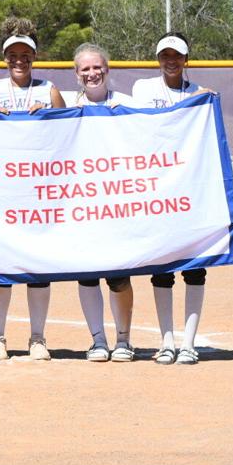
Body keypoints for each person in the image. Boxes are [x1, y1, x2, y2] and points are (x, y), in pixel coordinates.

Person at [0, 17, 65, 361]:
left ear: (34, 57)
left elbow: (71, 132)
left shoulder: (48, 89)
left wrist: (50, 112)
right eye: (12, 55)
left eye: (25, 55)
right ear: (4, 59)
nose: (19, 60)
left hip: (38, 190)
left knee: (37, 265)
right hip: (0, 191)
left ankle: (38, 337)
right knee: (1, 265)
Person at [130, 32, 213, 365]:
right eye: (165, 55)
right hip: (156, 191)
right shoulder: (144, 89)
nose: (171, 61)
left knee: (195, 267)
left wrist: (209, 100)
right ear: (158, 58)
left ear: (186, 59)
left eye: (177, 55)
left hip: (191, 191)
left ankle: (189, 343)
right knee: (162, 269)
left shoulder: (199, 94)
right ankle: (166, 341)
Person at [70, 43, 136, 362]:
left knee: (119, 276)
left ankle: (123, 339)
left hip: (116, 203)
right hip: (81, 204)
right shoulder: (67, 106)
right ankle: (97, 339)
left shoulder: (126, 104)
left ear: (107, 69)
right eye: (85, 69)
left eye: (97, 67)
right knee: (87, 274)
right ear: (77, 74)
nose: (92, 73)